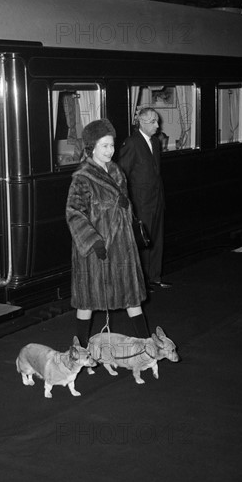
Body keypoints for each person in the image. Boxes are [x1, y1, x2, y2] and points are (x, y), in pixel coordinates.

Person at [66, 118, 149, 347]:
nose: (110, 151)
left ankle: (146, 347)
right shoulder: (82, 177)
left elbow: (120, 208)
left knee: (132, 299)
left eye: (112, 145)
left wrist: (125, 204)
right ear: (91, 148)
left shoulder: (116, 171)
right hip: (96, 250)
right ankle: (79, 351)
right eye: (104, 146)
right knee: (87, 303)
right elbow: (73, 212)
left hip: (122, 246)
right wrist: (93, 241)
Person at [118, 107, 171, 291]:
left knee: (157, 240)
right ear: (141, 122)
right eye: (153, 122)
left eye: (157, 121)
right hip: (141, 202)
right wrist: (128, 203)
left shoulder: (155, 142)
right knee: (142, 242)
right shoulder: (132, 143)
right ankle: (142, 283)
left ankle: (155, 277)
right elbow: (122, 174)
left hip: (157, 199)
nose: (158, 125)